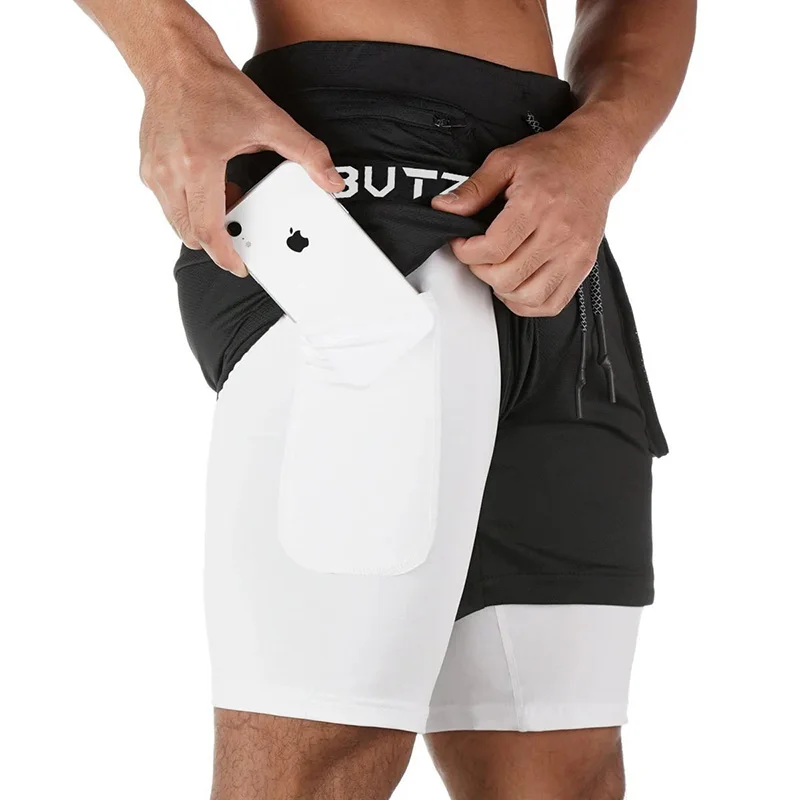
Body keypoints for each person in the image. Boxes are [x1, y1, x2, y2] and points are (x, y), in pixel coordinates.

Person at [73, 1, 695, 797]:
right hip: (351, 211)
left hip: (556, 233)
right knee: (324, 752)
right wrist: (175, 65)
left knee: (565, 773)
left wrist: (600, 145)